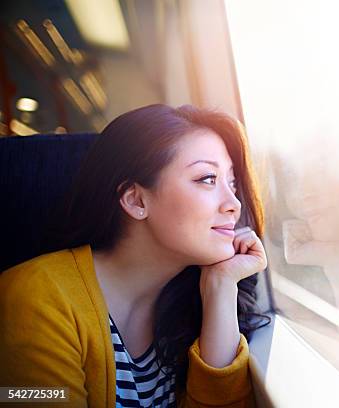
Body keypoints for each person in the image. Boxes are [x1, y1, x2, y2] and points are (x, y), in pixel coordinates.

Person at [0, 104, 269, 407]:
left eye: (232, 183)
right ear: (136, 199)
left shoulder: (187, 302)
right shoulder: (38, 297)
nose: (234, 203)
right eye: (207, 178)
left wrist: (220, 287)